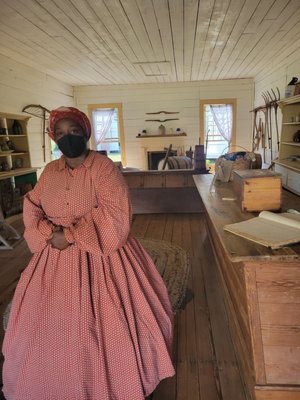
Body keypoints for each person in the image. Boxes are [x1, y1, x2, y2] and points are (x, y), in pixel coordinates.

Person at [2, 106, 175, 400]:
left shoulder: (104, 169)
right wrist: (48, 234)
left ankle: (111, 380)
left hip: (103, 256)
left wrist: (69, 235)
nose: (67, 138)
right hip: (53, 258)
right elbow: (32, 204)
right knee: (45, 326)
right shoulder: (50, 171)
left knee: (107, 324)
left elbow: (116, 215)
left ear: (86, 133)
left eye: (74, 132)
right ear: (52, 137)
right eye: (60, 133)